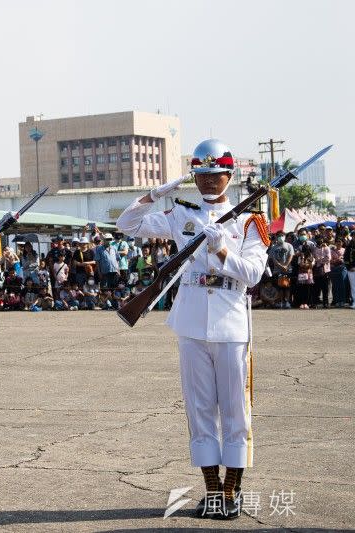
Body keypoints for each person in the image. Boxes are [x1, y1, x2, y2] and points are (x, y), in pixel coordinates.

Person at [117, 139, 269, 520]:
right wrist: (153, 194)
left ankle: (232, 490)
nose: (207, 182)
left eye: (215, 175)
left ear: (228, 176)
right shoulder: (180, 213)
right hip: (190, 319)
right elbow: (126, 225)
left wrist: (221, 252)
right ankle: (212, 490)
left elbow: (251, 274)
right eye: (200, 175)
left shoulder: (250, 221)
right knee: (199, 410)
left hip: (232, 320)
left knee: (235, 410)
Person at [267, 231, 294, 309]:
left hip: (287, 269)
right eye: (279, 235)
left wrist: (286, 265)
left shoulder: (289, 246)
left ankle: (287, 302)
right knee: (279, 287)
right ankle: (280, 301)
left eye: (282, 235)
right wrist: (280, 265)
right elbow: (273, 259)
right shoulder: (273, 247)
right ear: (276, 237)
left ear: (284, 236)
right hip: (277, 270)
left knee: (287, 286)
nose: (280, 237)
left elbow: (291, 256)